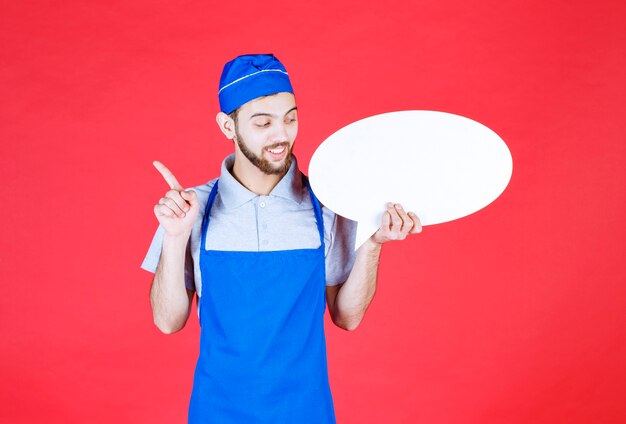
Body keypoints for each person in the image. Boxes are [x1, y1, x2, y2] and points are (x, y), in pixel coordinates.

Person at [141, 53, 422, 424]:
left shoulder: (326, 208)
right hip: (217, 412)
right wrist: (175, 237)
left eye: (290, 118)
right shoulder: (191, 209)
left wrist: (373, 243)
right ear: (228, 126)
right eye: (263, 123)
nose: (281, 135)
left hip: (306, 411)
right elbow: (167, 321)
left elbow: (347, 317)